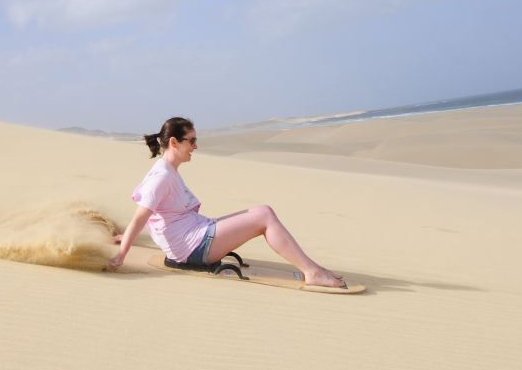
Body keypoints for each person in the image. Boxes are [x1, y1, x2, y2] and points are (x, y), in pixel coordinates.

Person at [107, 117, 346, 288]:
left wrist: (125, 235)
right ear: (174, 143)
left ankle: (313, 267)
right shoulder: (162, 177)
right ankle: (312, 272)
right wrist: (122, 253)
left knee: (261, 212)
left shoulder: (167, 171)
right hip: (193, 249)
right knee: (264, 215)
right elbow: (143, 215)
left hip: (196, 236)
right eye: (191, 140)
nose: (195, 146)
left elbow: (155, 213)